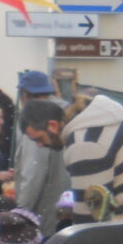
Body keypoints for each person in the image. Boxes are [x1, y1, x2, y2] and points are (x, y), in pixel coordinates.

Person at [21, 95, 123, 224]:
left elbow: (90, 219)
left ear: (52, 125)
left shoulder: (83, 143)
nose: (39, 145)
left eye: (39, 139)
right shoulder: (105, 123)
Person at [13, 71, 70, 236]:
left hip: (45, 213)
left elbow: (34, 173)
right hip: (68, 207)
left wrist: (20, 214)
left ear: (25, 95)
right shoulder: (66, 111)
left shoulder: (35, 119)